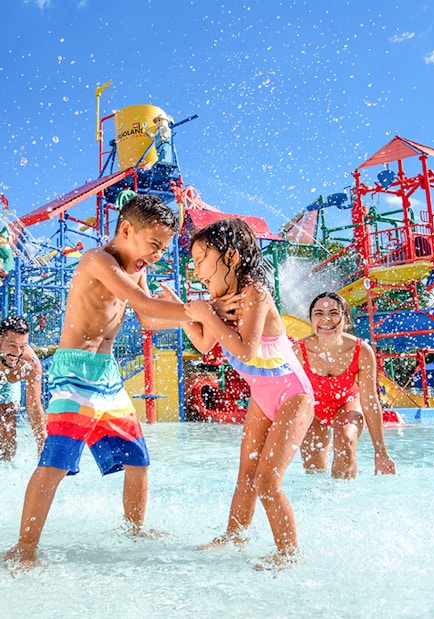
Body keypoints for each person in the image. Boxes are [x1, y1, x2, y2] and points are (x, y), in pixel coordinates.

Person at [5, 194, 193, 570]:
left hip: (107, 376)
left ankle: (134, 528)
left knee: (138, 460)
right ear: (126, 230)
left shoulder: (137, 268)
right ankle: (24, 549)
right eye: (154, 244)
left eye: (163, 248)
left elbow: (149, 319)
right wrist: (200, 310)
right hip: (75, 372)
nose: (157, 255)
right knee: (55, 462)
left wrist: (188, 319)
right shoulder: (97, 260)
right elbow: (144, 302)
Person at [175, 218, 314, 567]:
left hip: (293, 396)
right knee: (246, 475)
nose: (196, 269)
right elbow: (206, 343)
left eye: (202, 258)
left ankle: (289, 554)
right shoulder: (221, 300)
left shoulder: (254, 293)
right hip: (263, 398)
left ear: (232, 257)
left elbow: (246, 349)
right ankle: (233, 535)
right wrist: (183, 313)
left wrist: (206, 314)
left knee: (267, 480)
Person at [294, 291, 396, 479]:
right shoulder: (298, 351)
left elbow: (370, 401)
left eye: (334, 313)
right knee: (313, 467)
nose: (326, 319)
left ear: (346, 320)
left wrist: (380, 452)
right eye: (318, 314)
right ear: (311, 320)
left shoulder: (361, 351)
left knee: (346, 441)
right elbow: (284, 396)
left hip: (347, 403)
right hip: (314, 409)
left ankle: (345, 498)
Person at [0, 316, 46, 461]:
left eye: (23, 346)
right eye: (12, 345)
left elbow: (34, 406)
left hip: (10, 382)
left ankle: (5, 467)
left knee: (8, 421)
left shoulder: (31, 364)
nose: (17, 352)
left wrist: (42, 440)